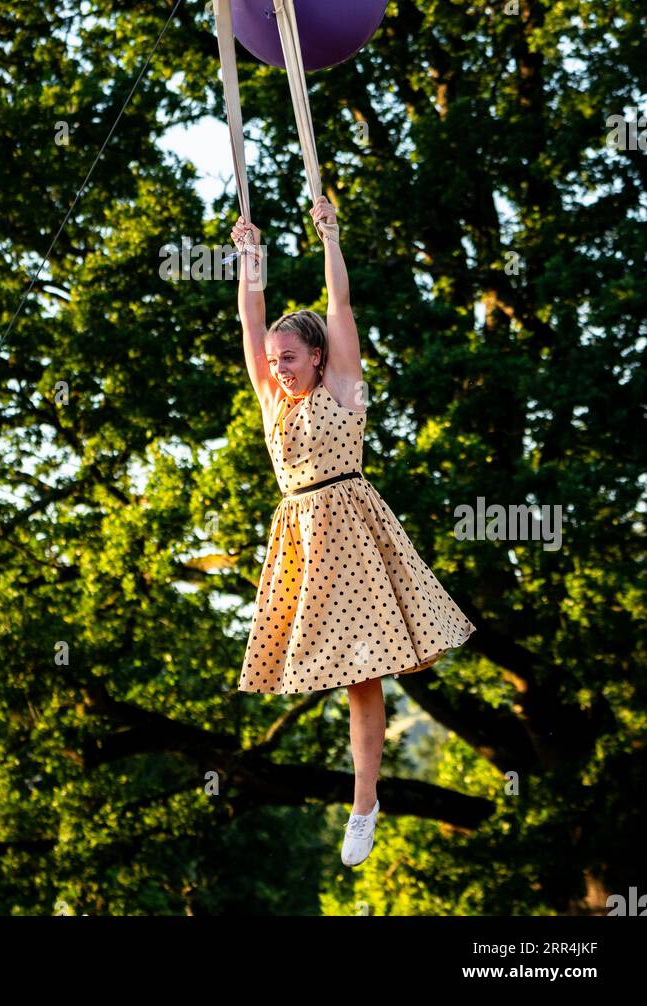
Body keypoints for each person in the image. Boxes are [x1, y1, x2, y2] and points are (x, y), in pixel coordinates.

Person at [229, 195, 477, 867]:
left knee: (364, 678)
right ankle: (365, 801)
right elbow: (250, 323)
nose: (277, 366)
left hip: (353, 532)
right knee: (351, 678)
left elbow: (340, 308)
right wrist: (249, 261)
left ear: (315, 357)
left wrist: (329, 237)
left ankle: (363, 803)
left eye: (289, 356)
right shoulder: (270, 401)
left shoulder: (344, 387)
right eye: (274, 359)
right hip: (302, 541)